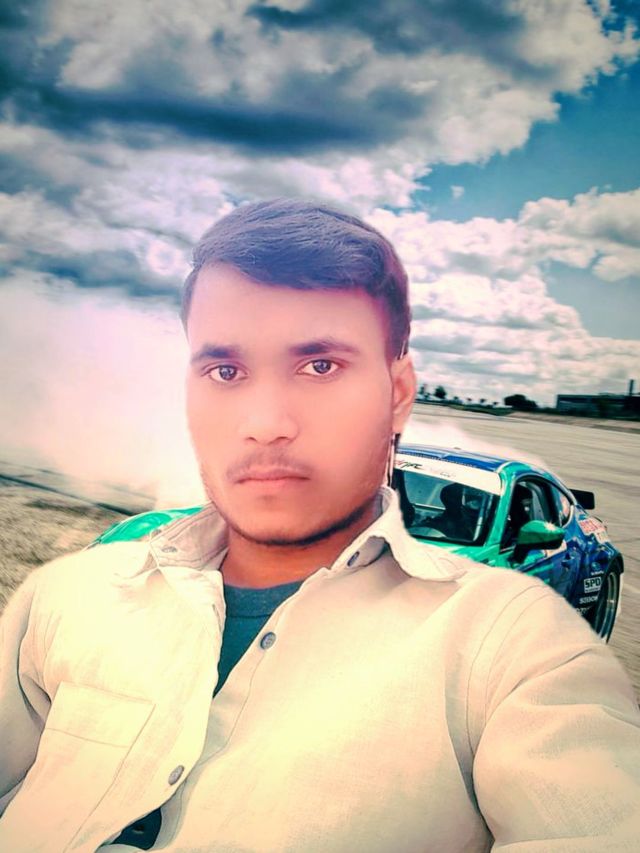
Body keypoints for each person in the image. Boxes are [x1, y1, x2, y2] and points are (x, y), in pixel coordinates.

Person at [1, 199, 639, 852]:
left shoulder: (510, 641)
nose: (266, 422)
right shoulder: (73, 591)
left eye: (320, 367)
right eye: (227, 371)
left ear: (396, 395)